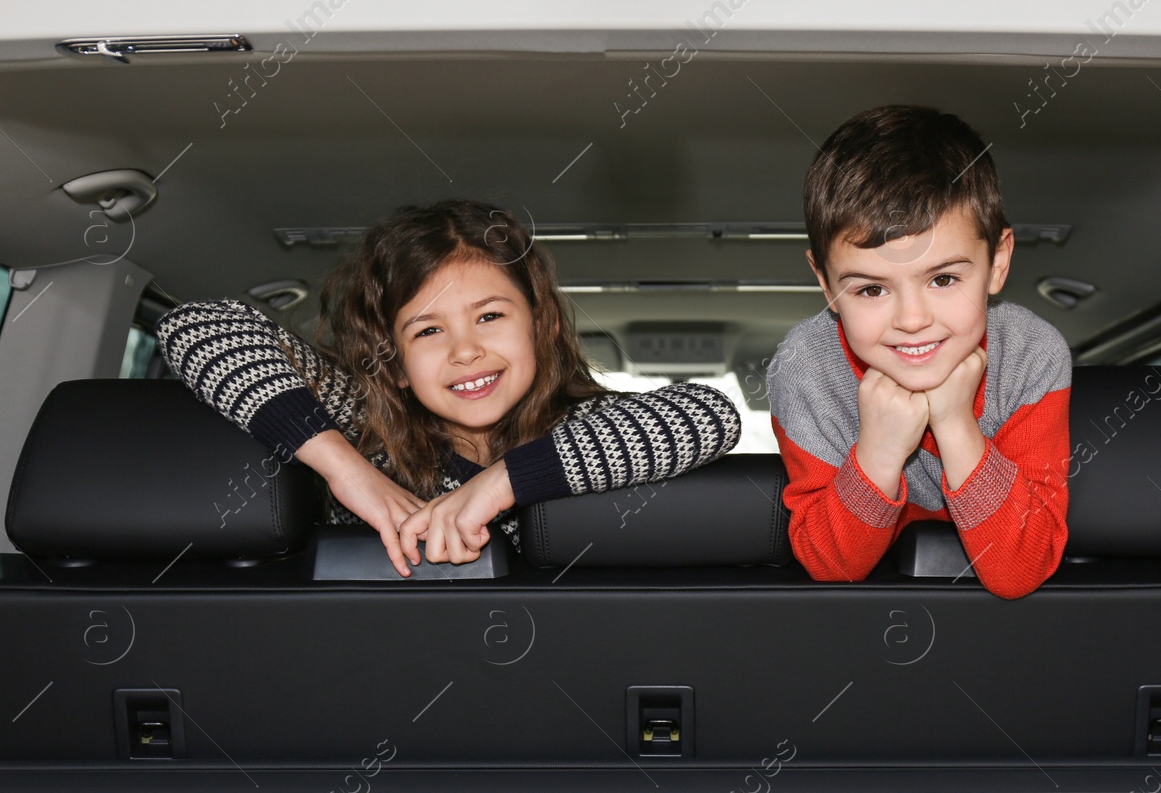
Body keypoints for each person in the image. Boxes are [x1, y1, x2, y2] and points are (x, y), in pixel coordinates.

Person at [156, 199, 742, 576]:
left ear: (544, 326)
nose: (465, 351)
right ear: (396, 360)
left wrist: (498, 485)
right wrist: (346, 469)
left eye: (490, 316)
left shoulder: (585, 430)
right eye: (429, 330)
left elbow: (711, 414)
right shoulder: (363, 425)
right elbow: (196, 325)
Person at [767, 104, 1070, 597]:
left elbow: (1021, 570)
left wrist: (955, 423)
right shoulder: (805, 367)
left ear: (997, 263)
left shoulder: (1031, 355)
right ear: (826, 285)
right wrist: (879, 452)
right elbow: (831, 567)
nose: (912, 321)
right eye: (870, 290)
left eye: (944, 279)